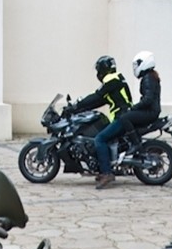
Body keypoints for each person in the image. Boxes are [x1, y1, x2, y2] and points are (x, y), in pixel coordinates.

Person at [91, 51, 162, 189]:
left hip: (150, 112)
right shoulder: (149, 77)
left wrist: (134, 108)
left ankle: (107, 172)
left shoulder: (148, 78)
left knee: (100, 138)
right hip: (151, 112)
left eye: (137, 64)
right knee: (124, 118)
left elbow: (148, 99)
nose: (135, 67)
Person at [63, 55, 133, 189]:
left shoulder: (111, 79)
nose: (98, 73)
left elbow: (96, 95)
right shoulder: (116, 79)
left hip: (122, 117)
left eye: (98, 70)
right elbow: (100, 100)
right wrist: (81, 109)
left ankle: (107, 173)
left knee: (99, 139)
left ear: (103, 69)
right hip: (124, 116)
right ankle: (103, 167)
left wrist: (76, 105)